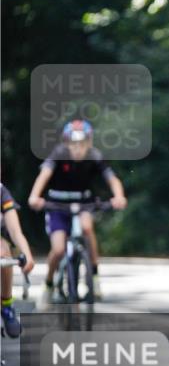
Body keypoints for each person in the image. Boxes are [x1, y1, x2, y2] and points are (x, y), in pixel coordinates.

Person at [27, 119, 127, 301]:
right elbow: (44, 175)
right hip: (57, 205)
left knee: (87, 228)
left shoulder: (95, 156)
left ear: (89, 143)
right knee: (58, 249)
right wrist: (34, 196)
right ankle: (48, 283)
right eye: (73, 143)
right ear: (66, 143)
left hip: (83, 203)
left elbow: (112, 179)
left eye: (82, 143)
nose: (78, 148)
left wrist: (119, 196)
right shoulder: (58, 154)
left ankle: (94, 276)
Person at [0, 182, 35, 338]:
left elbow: (15, 231)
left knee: (3, 252)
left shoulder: (1, 192)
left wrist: (27, 255)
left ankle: (6, 305)